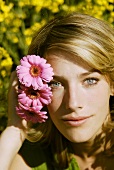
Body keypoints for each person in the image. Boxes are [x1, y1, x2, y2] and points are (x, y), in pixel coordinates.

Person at [0, 12, 114, 170]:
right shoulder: (34, 158)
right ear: (34, 90)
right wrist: (14, 129)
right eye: (56, 84)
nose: (73, 103)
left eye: (90, 81)